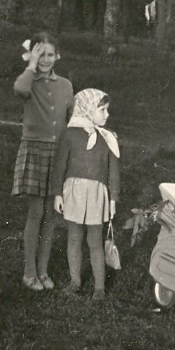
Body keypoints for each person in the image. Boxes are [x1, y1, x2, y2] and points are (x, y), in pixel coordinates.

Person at [11, 32, 74, 292]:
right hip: (35, 151)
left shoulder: (66, 85)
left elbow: (72, 119)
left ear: (57, 56)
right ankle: (29, 273)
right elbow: (19, 89)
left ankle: (44, 270)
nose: (45, 60)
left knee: (51, 216)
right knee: (36, 213)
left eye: (50, 54)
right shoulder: (30, 81)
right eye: (40, 54)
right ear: (32, 55)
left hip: (58, 153)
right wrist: (31, 65)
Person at [50, 88, 121, 301]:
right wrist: (57, 193)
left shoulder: (108, 138)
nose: (107, 115)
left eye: (107, 110)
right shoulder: (70, 134)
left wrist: (114, 198)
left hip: (97, 194)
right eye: (103, 110)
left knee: (95, 241)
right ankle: (75, 281)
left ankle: (99, 286)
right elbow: (60, 166)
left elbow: (114, 170)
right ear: (88, 109)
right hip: (75, 192)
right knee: (73, 237)